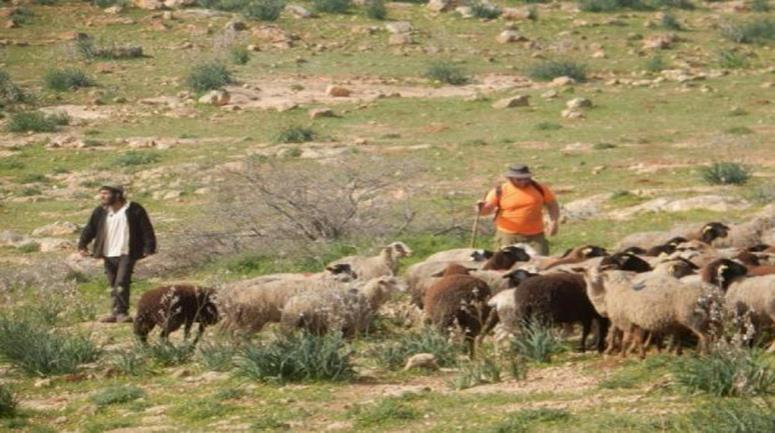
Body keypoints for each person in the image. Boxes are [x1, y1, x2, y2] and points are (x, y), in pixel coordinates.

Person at [78, 185, 157, 323]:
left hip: (127, 252)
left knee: (121, 281)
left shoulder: (134, 209)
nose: (102, 196)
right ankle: (114, 313)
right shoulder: (100, 211)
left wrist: (149, 247)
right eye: (100, 193)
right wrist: (82, 244)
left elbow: (146, 228)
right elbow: (90, 228)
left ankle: (122, 313)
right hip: (108, 252)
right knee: (112, 283)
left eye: (105, 193)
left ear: (117, 195)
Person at [475, 164, 560, 255]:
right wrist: (480, 208)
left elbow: (552, 205)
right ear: (510, 178)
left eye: (526, 179)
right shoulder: (499, 191)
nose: (523, 182)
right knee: (505, 266)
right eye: (519, 179)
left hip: (535, 236)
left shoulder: (540, 188)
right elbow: (486, 211)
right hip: (508, 235)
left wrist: (553, 221)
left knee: (540, 264)